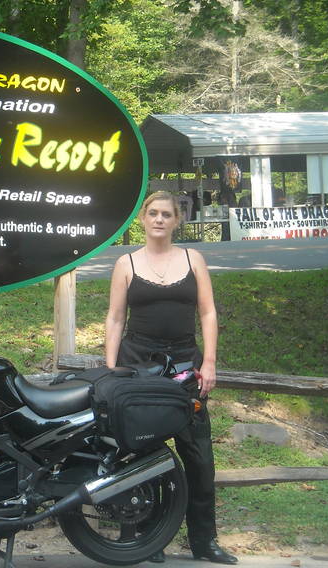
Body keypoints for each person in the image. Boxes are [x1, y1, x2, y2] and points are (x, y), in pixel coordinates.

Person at [104, 191, 237, 565]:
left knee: (199, 456)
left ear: (177, 220)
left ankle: (204, 541)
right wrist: (111, 369)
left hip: (185, 367)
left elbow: (208, 313)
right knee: (142, 453)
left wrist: (209, 362)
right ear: (143, 219)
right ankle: (150, 538)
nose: (159, 219)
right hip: (138, 366)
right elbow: (115, 317)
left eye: (166, 214)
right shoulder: (126, 263)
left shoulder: (194, 259)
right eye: (153, 213)